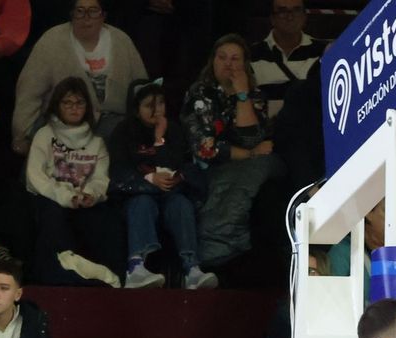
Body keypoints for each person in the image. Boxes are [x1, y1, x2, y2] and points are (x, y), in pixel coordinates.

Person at [182, 34, 282, 269]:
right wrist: (249, 154)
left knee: (270, 182)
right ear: (213, 62)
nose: (228, 64)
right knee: (244, 174)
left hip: (247, 168)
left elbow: (253, 138)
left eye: (235, 59)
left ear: (245, 64)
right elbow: (206, 150)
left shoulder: (254, 96)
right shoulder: (200, 94)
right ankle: (219, 250)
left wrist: (242, 95)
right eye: (222, 57)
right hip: (209, 169)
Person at [106, 78, 216, 290]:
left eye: (161, 104)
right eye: (149, 105)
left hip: (170, 193)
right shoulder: (123, 131)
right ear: (136, 109)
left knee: (181, 205)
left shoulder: (174, 131)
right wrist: (149, 179)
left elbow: (185, 163)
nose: (156, 111)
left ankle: (191, 268)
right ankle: (136, 267)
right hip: (135, 194)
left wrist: (178, 175)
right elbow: (118, 171)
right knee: (143, 203)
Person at [25, 78, 125, 285]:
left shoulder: (97, 142)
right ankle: (60, 273)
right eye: (67, 103)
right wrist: (66, 196)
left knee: (109, 220)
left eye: (79, 103)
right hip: (50, 198)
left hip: (84, 200)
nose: (73, 108)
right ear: (57, 105)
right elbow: (35, 177)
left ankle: (111, 278)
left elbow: (100, 178)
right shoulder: (44, 135)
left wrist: (90, 195)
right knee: (53, 217)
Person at [12, 0, 147, 153]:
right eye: (80, 11)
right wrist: (22, 134)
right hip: (60, 122)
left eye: (93, 11)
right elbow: (29, 93)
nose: (86, 17)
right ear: (72, 15)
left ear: (103, 16)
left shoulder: (121, 40)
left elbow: (141, 90)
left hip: (112, 124)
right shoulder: (51, 40)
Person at [246, 0, 326, 118]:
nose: (290, 17)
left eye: (296, 10)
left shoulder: (324, 52)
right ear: (272, 18)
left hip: (312, 132)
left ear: (304, 17)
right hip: (268, 133)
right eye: (282, 11)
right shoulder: (251, 55)